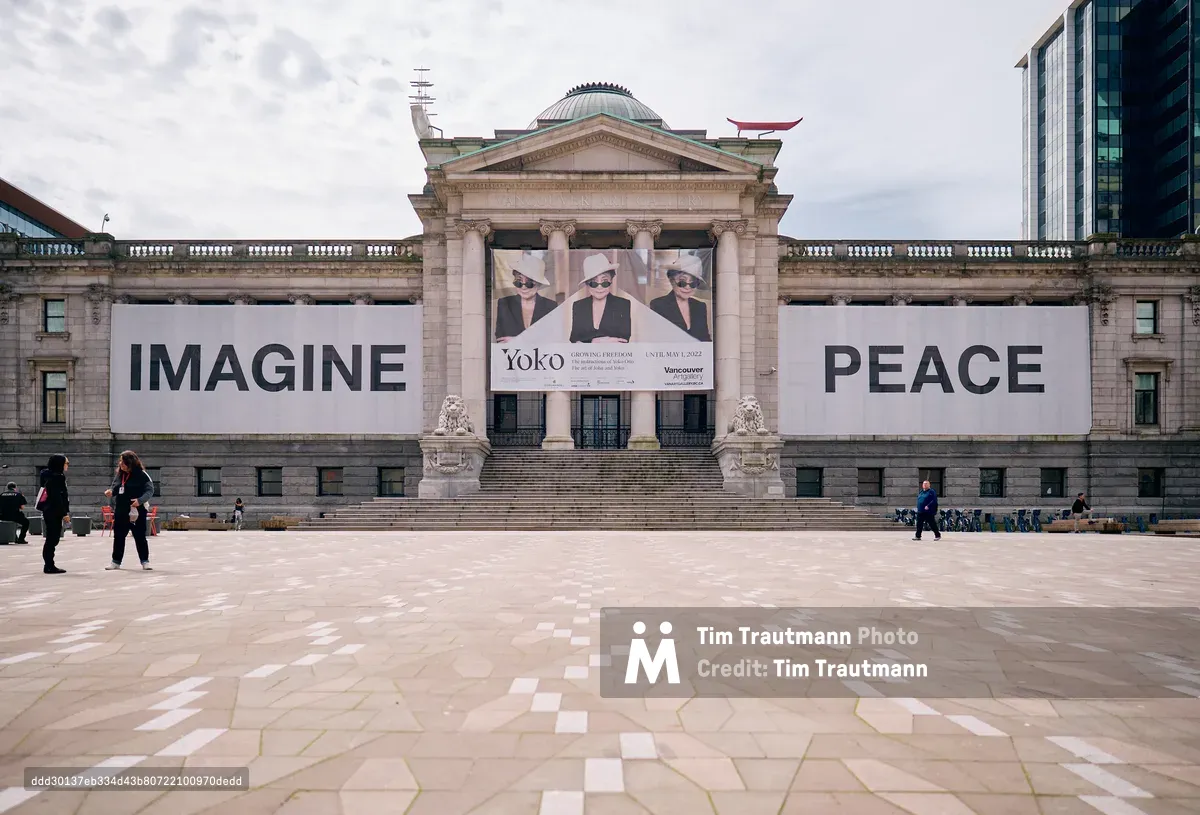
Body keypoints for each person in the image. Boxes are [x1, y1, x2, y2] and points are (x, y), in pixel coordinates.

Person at [103, 450, 154, 571]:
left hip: (137, 510)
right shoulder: (120, 475)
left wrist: (140, 500)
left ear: (130, 463)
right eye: (120, 461)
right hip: (121, 509)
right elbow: (116, 487)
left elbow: (150, 490)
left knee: (140, 536)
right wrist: (111, 492)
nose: (121, 464)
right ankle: (115, 562)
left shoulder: (142, 475)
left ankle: (145, 561)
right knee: (119, 536)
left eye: (123, 462)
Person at [494, 253, 557, 342]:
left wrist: (518, 341)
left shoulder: (551, 306)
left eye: (529, 283)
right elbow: (501, 339)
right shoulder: (504, 303)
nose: (523, 287)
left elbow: (553, 340)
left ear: (538, 284)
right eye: (519, 282)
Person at [570, 253, 631, 344]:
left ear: (611, 281)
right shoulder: (578, 306)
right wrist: (595, 342)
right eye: (593, 283)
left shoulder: (623, 304)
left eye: (604, 282)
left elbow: (624, 340)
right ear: (587, 284)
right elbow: (574, 339)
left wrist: (586, 342)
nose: (599, 287)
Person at [649, 255, 711, 341]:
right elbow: (655, 340)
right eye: (682, 282)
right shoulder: (658, 305)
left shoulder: (700, 306)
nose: (687, 287)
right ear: (672, 281)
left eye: (693, 283)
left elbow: (705, 339)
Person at [37, 454, 70, 574]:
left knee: (52, 538)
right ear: (59, 464)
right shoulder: (57, 477)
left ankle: (49, 564)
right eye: (66, 463)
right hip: (53, 511)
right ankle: (49, 565)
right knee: (52, 538)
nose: (67, 466)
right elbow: (57, 497)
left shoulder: (46, 475)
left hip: (48, 510)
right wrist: (64, 513)